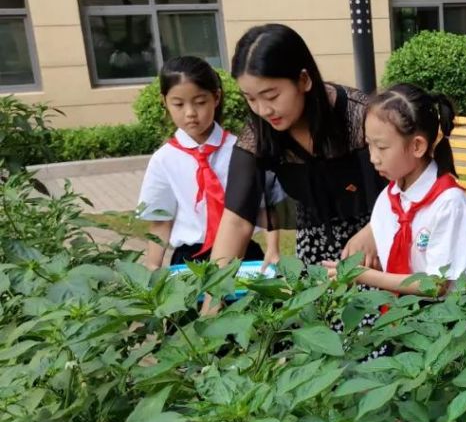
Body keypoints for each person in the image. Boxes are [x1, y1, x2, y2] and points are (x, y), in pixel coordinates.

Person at [210, 24, 385, 267]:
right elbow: (236, 220)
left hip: (378, 243)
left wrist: (378, 227)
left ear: (303, 80)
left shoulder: (360, 116)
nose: (263, 110)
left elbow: (414, 183)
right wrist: (211, 299)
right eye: (250, 98)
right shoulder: (259, 131)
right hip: (315, 251)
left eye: (271, 96)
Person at [328, 83, 466, 293]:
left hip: (449, 319)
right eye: (369, 144)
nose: (373, 158)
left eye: (382, 147)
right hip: (403, 318)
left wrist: (366, 276)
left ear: (417, 146)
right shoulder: (389, 199)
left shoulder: (449, 204)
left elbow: (436, 285)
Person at [136, 55, 278, 270]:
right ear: (164, 102)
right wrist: (153, 266)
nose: (190, 113)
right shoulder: (164, 160)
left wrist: (273, 248)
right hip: (190, 260)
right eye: (178, 104)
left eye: (200, 102)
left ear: (216, 97)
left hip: (243, 253)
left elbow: (265, 207)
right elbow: (161, 220)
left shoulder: (242, 150)